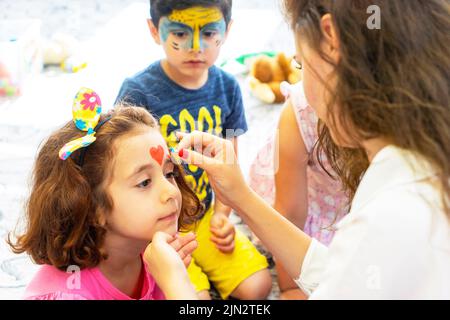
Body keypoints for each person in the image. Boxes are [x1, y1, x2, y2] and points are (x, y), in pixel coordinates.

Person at [174, 0, 450, 299]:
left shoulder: (386, 218)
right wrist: (240, 197)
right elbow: (340, 274)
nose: (300, 89)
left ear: (330, 40)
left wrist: (178, 290)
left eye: (301, 65)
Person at [115, 0, 271, 300]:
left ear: (228, 30)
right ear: (154, 30)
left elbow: (229, 163)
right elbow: (122, 174)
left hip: (205, 214)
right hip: (159, 225)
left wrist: (222, 216)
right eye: (181, 34)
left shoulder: (228, 88)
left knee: (258, 288)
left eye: (210, 33)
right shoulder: (136, 92)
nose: (196, 47)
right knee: (194, 301)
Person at [8, 89, 201, 300]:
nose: (171, 191)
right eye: (144, 182)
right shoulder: (68, 295)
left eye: (169, 173)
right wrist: (175, 282)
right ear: (91, 206)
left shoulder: (156, 258)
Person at [249, 81, 348, 300]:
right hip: (312, 201)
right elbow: (289, 211)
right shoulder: (301, 110)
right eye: (297, 64)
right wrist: (290, 287)